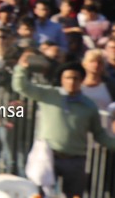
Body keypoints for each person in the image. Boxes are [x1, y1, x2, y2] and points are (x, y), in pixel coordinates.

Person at [13, 55, 115, 198]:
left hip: (75, 159)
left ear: (82, 80)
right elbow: (21, 87)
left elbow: (99, 134)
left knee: (74, 195)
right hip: (48, 156)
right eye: (68, 78)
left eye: (76, 78)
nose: (72, 81)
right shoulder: (49, 94)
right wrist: (21, 69)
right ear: (62, 79)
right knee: (39, 194)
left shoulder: (89, 105)